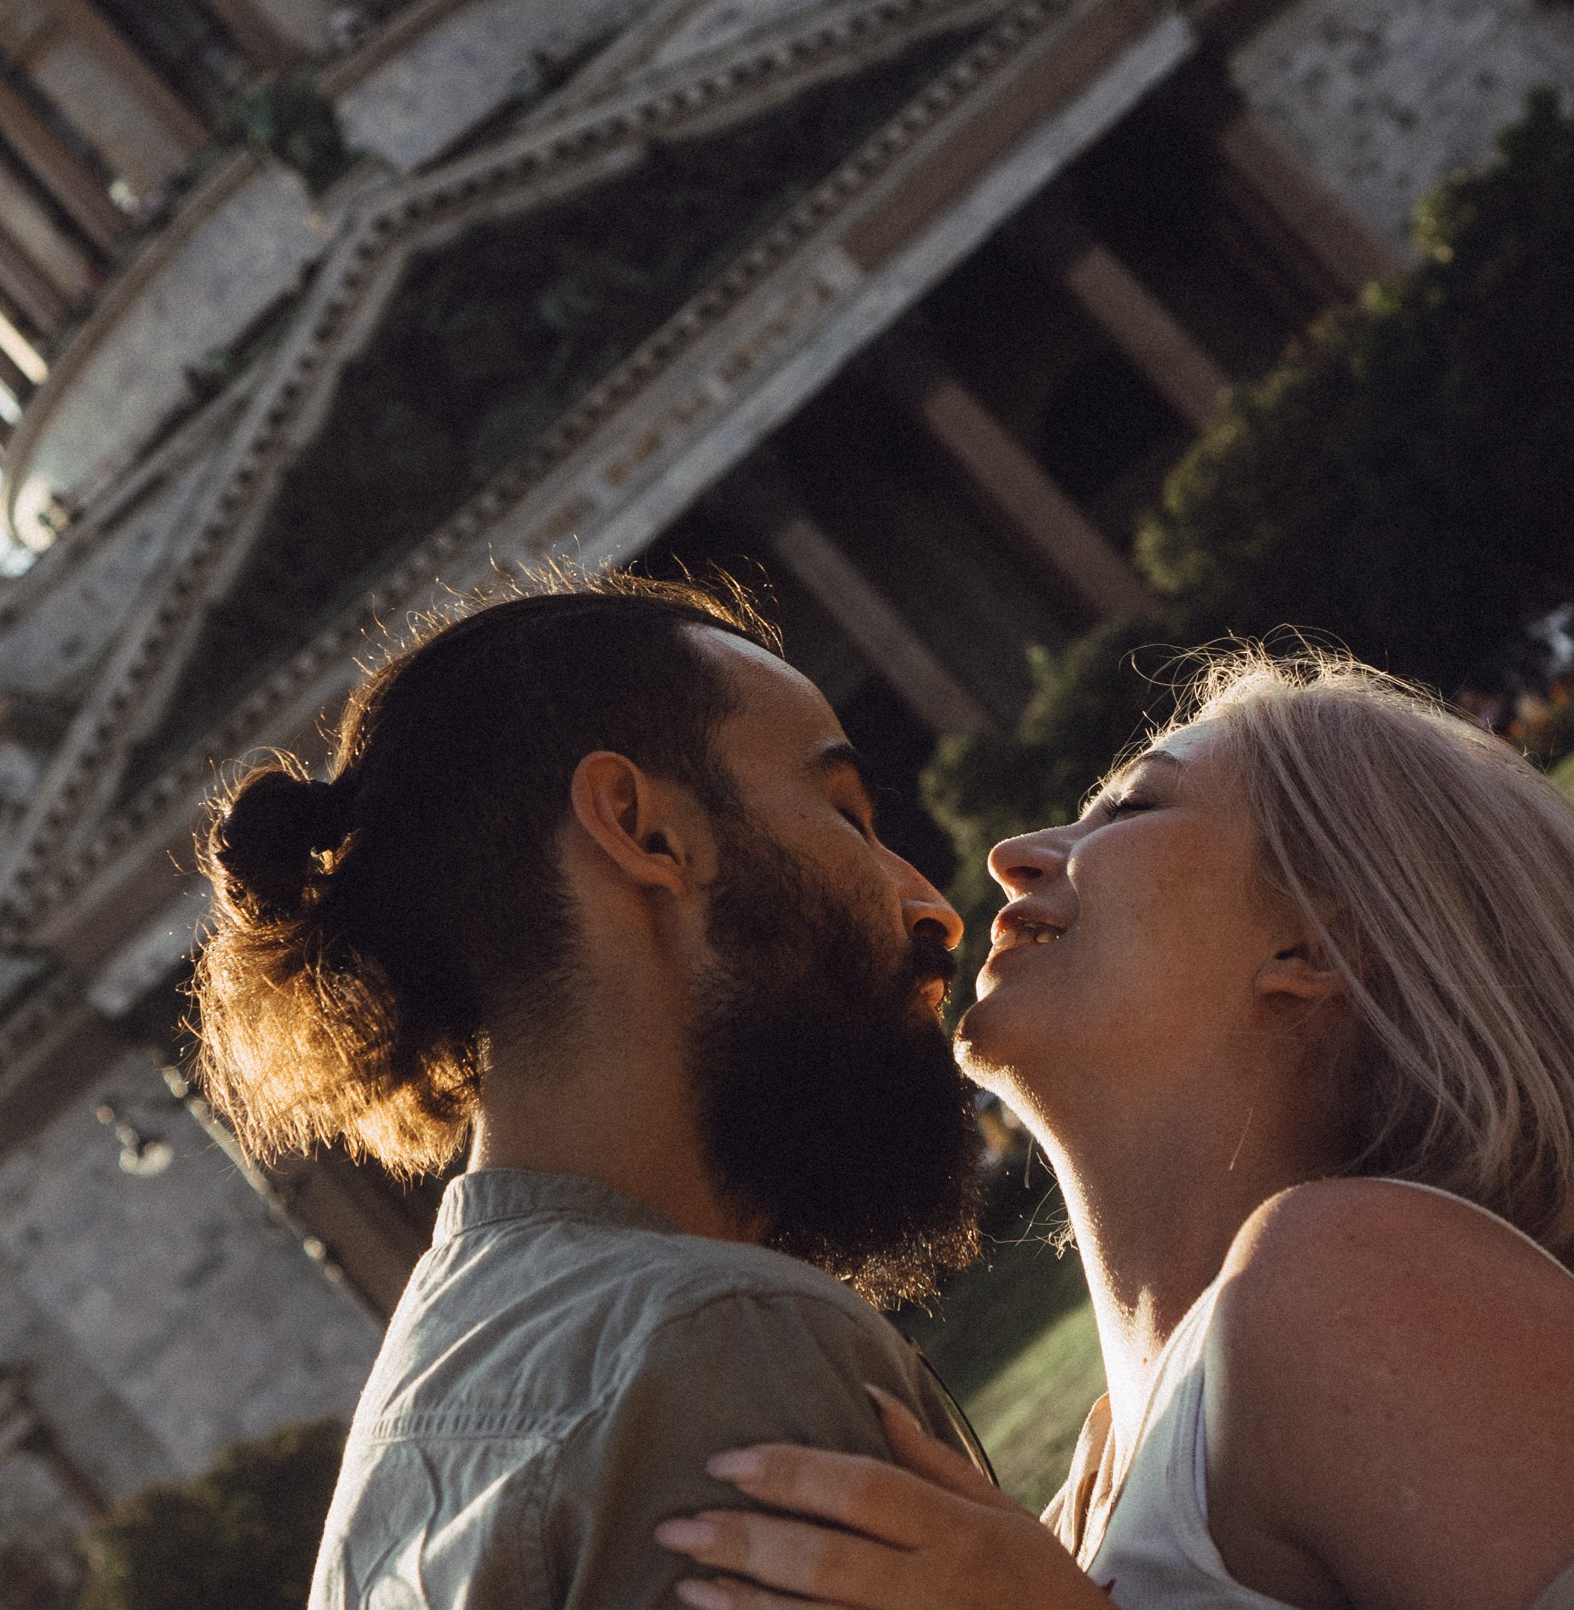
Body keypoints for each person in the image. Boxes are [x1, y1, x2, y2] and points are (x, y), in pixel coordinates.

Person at [655, 647, 1574, 1609]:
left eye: (1129, 811)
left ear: (1315, 943)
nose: (1012, 855)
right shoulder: (1079, 1496)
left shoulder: (1347, 1282)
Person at [189, 572, 992, 1609]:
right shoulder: (719, 1338)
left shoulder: (403, 1432)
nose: (931, 905)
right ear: (642, 831)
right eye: (844, 812)